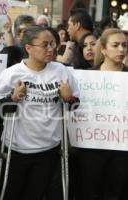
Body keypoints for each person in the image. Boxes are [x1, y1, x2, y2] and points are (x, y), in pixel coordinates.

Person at [0, 26, 79, 200]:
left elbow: (75, 106)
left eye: (52, 44)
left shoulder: (61, 71)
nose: (51, 49)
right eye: (44, 45)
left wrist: (68, 98)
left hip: (48, 150)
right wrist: (13, 98)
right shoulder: (12, 74)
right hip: (16, 150)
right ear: (28, 48)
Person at [77, 28, 128, 200]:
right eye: (116, 45)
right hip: (92, 149)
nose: (121, 50)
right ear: (104, 49)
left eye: (124, 45)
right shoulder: (87, 77)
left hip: (122, 151)